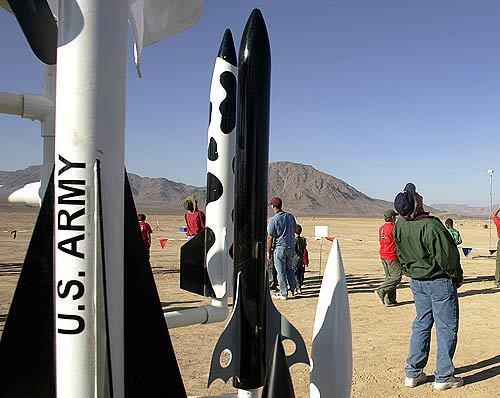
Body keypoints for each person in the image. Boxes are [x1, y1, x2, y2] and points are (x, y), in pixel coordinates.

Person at [393, 183, 464, 391]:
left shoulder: (399, 225)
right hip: (439, 281)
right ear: (416, 204)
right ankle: (443, 376)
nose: (420, 196)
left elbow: (400, 254)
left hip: (417, 282)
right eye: (416, 196)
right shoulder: (431, 225)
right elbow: (447, 256)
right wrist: (456, 276)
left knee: (421, 324)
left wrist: (410, 271)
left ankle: (413, 372)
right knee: (446, 328)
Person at [266, 196, 299, 299]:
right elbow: (295, 228)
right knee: (290, 269)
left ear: (272, 206)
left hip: (280, 248)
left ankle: (283, 293)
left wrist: (268, 251)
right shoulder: (290, 216)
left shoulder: (274, 220)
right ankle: (294, 290)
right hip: (291, 248)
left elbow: (270, 237)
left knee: (280, 271)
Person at [374, 209, 403, 306]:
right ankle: (382, 290)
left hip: (383, 254)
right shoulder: (393, 228)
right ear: (392, 218)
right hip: (392, 255)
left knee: (389, 278)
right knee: (396, 277)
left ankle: (390, 300)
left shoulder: (381, 228)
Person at [293, 224, 307, 290]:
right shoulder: (303, 239)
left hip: (295, 259)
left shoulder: (295, 240)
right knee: (300, 273)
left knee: (295, 274)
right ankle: (299, 286)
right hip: (301, 259)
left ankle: (297, 287)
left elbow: (294, 250)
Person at [492, 207, 500, 289]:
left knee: (499, 263)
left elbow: (494, 215)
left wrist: (498, 209)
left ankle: (498, 281)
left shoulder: (499, 222)